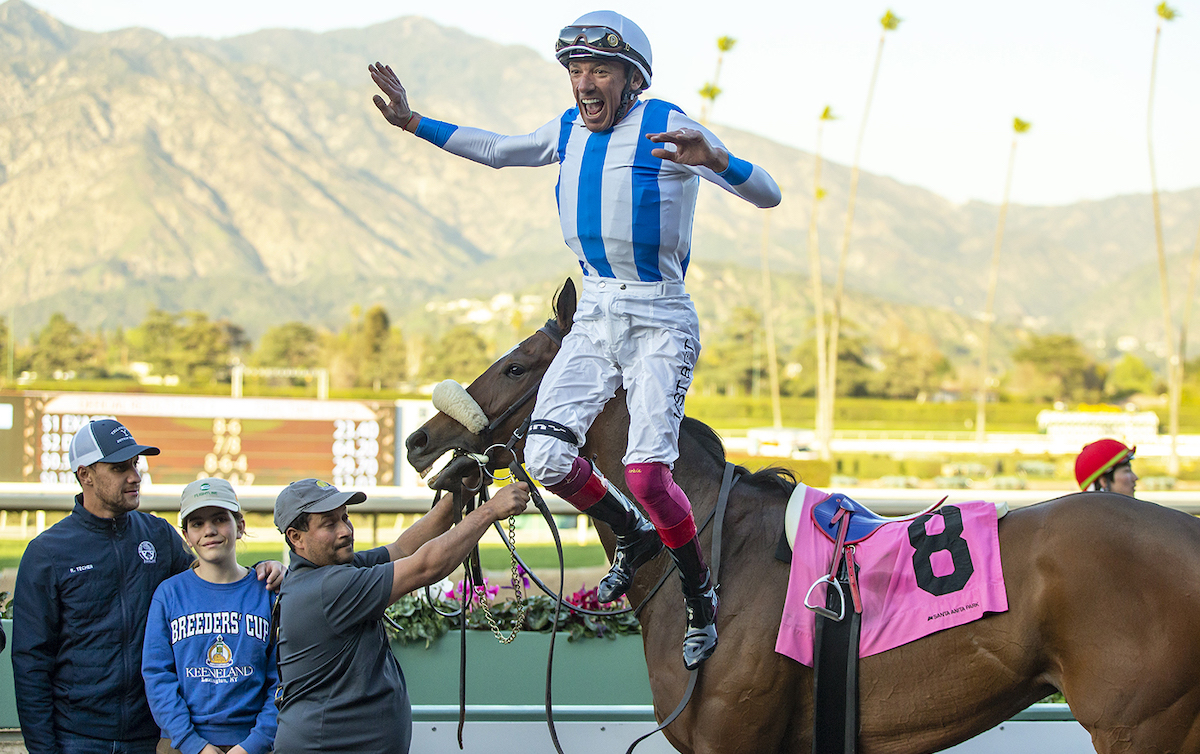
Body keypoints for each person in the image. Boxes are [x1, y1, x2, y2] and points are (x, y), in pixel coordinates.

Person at [370, 10, 780, 670]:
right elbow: (499, 150)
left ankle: (698, 593)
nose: (585, 84)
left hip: (658, 317)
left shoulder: (669, 126)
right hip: (593, 314)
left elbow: (770, 194)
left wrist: (719, 160)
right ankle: (635, 536)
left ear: (631, 79)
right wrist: (414, 121)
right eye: (577, 71)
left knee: (647, 474)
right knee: (548, 457)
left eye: (601, 71)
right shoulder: (566, 130)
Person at [11, 419, 283, 754]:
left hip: (149, 736)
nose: (135, 476)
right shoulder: (47, 553)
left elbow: (216, 580)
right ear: (86, 475)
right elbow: (31, 662)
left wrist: (262, 572)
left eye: (135, 464)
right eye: (119, 468)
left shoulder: (158, 536)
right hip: (77, 737)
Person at [272, 477, 530, 754]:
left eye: (344, 517)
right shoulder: (328, 588)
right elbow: (426, 566)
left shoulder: (332, 569)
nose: (345, 530)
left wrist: (467, 485)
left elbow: (405, 548)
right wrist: (489, 511)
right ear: (295, 537)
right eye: (329, 523)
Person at [142, 478, 278, 754]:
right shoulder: (169, 594)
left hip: (254, 743)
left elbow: (281, 679)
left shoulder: (267, 592)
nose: (210, 530)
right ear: (186, 535)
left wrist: (254, 744)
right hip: (182, 744)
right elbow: (158, 676)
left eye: (219, 519)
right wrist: (194, 744)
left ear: (240, 526)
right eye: (197, 523)